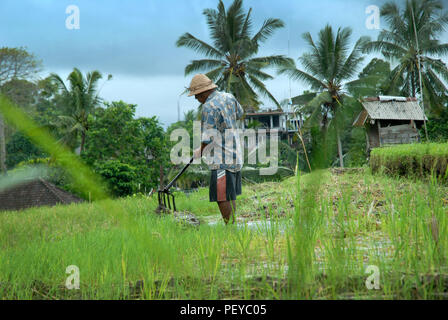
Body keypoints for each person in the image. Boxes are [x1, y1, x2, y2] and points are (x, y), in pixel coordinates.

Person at [188, 74, 244, 224]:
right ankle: (233, 226)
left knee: (221, 196)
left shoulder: (208, 107)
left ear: (203, 93)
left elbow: (208, 137)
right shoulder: (229, 97)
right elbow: (240, 113)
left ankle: (230, 228)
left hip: (221, 158)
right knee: (229, 194)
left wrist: (200, 150)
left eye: (197, 96)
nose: (196, 99)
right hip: (235, 153)